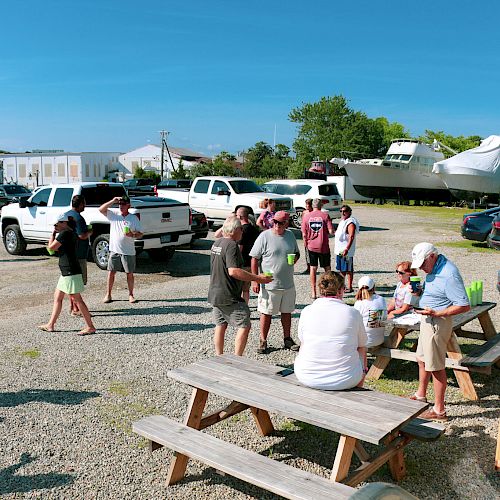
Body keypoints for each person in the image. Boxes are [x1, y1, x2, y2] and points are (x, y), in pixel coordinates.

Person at [409, 242, 470, 421]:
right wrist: (420, 292)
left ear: (432, 256)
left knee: (436, 366)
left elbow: (464, 305)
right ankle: (421, 395)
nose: (420, 268)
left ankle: (439, 410)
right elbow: (436, 292)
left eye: (422, 264)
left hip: (437, 322)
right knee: (421, 359)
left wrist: (437, 313)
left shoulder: (449, 274)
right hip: (428, 319)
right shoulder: (433, 268)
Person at [208, 215, 272, 355]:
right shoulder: (231, 245)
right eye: (241, 230)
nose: (242, 233)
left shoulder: (216, 243)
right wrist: (257, 278)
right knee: (245, 324)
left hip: (215, 293)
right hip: (228, 294)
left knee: (221, 324)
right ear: (236, 230)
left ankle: (219, 356)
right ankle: (237, 359)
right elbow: (233, 271)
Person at [294, 271, 368, 390]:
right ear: (341, 290)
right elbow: (362, 344)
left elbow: (302, 340)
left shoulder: (307, 311)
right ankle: (359, 387)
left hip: (306, 376)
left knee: (305, 342)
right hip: (346, 379)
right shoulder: (352, 313)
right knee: (362, 348)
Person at [250, 211, 300, 353]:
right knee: (266, 313)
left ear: (287, 223)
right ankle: (263, 340)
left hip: (288, 283)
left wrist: (295, 259)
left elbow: (297, 253)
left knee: (287, 312)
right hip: (269, 284)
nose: (277, 225)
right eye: (275, 222)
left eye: (280, 222)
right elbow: (254, 258)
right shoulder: (264, 236)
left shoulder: (290, 235)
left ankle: (287, 339)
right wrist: (255, 280)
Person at [38, 214, 96, 335]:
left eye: (56, 224)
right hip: (66, 271)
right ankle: (50, 324)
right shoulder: (71, 233)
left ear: (64, 223)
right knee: (58, 298)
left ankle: (90, 326)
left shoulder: (65, 234)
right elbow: (57, 249)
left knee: (78, 299)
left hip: (70, 271)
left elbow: (51, 248)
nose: (55, 226)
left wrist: (52, 235)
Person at [99, 195, 143, 304]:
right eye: (119, 204)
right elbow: (101, 209)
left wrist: (132, 234)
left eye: (123, 204)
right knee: (111, 272)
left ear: (128, 205)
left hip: (128, 251)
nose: (121, 206)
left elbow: (140, 234)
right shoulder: (114, 215)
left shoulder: (133, 218)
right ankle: (108, 294)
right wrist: (113, 200)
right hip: (115, 250)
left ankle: (131, 295)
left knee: (129, 273)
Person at [65, 195, 92, 316]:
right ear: (80, 204)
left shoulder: (66, 215)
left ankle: (73, 307)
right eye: (84, 203)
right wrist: (90, 231)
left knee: (71, 282)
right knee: (78, 282)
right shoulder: (79, 218)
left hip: (69, 253)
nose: (85, 206)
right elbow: (82, 235)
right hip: (79, 254)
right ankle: (76, 309)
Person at [301, 198, 334, 299]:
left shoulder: (306, 217)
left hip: (311, 246)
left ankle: (313, 292)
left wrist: (305, 243)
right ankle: (328, 290)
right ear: (321, 205)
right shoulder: (325, 216)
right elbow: (331, 231)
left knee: (313, 268)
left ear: (312, 205)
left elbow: (304, 233)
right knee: (327, 268)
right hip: (323, 246)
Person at [235, 207, 260, 303]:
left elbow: (240, 247)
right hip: (252, 262)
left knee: (238, 288)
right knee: (246, 289)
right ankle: (246, 306)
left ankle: (239, 306)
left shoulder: (242, 231)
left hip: (242, 263)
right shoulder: (254, 229)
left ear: (240, 216)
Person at [353, 276, 387, 347]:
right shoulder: (381, 299)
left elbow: (354, 322)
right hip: (380, 338)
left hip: (366, 341)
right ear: (374, 287)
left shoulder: (360, 303)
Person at [334, 204, 359, 293]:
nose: (343, 213)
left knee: (348, 269)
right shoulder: (342, 221)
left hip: (346, 251)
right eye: (341, 211)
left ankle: (349, 286)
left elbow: (351, 236)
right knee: (341, 269)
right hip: (339, 250)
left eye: (345, 211)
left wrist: (347, 249)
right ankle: (342, 285)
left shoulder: (350, 222)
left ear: (349, 212)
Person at [301, 198, 314, 274]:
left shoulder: (314, 212)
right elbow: (303, 224)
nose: (306, 206)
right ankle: (308, 267)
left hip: (312, 234)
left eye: (308, 205)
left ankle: (313, 266)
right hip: (306, 234)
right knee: (307, 252)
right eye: (306, 204)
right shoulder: (304, 213)